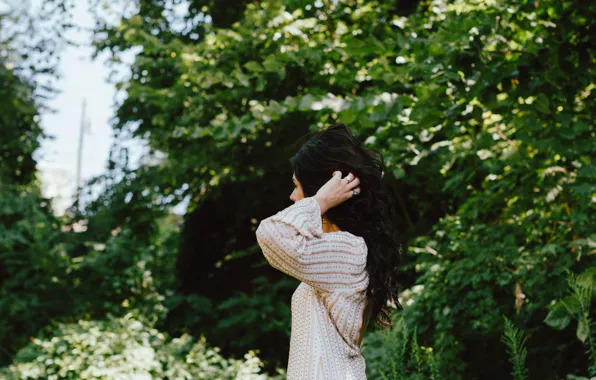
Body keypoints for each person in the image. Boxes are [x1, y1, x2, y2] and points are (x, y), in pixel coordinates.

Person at [256, 123, 401, 379]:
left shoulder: (348, 252)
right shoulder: (335, 252)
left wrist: (320, 201)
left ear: (322, 190)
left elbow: (270, 234)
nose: (292, 197)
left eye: (296, 186)